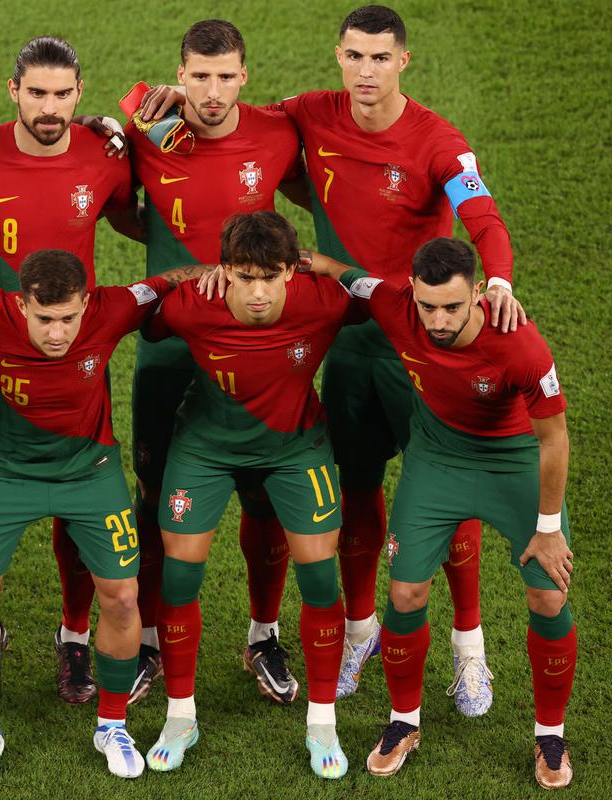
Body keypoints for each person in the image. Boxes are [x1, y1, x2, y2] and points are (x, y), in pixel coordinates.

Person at [138, 4, 522, 713]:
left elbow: (482, 212)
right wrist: (138, 108)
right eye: (354, 56)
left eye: (380, 58)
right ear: (338, 56)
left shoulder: (439, 141)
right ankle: (358, 628)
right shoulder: (310, 116)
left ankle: (471, 649)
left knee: (449, 490)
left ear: (403, 60)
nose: (366, 71)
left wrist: (494, 276)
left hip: (420, 342)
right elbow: (221, 117)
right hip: (345, 341)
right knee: (357, 488)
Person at [0, 250, 211, 780]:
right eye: (45, 319)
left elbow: (164, 281)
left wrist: (211, 270)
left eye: (69, 318)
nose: (58, 332)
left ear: (86, 303)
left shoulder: (113, 308)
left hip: (89, 472)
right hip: (2, 475)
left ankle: (112, 723)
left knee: (124, 596)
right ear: (22, 306)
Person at [0, 36, 142, 706]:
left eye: (63, 94)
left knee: (80, 514)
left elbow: (140, 221)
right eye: (36, 92)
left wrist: (138, 133)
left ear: (79, 93)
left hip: (72, 356)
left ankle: (76, 636)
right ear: (12, 88)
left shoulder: (105, 158)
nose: (50, 107)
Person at [311, 238, 574, 789]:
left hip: (512, 462)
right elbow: (346, 272)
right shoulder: (396, 305)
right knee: (405, 594)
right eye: (428, 306)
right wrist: (302, 260)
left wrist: (548, 529)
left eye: (452, 307)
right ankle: (404, 721)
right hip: (436, 459)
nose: (437, 319)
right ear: (414, 292)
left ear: (478, 293)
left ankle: (550, 733)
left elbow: (554, 439)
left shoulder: (520, 345)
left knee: (549, 594)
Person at [121, 19, 306, 705]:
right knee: (152, 488)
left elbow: (318, 195)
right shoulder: (147, 125)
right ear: (180, 73)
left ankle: (263, 634)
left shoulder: (279, 133)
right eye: (199, 75)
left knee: (262, 487)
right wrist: (177, 270)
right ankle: (145, 637)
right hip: (168, 344)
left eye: (226, 76)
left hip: (255, 346)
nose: (211, 91)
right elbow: (117, 203)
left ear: (244, 77)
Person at [143, 211, 359, 779]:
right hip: (206, 448)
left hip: (295, 448)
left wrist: (326, 262)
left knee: (319, 577)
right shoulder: (193, 305)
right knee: (181, 573)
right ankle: (180, 715)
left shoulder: (324, 301)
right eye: (243, 276)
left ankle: (322, 721)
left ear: (292, 271)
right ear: (226, 272)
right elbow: (143, 314)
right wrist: (189, 274)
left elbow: (377, 293)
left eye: (271, 275)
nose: (258, 292)